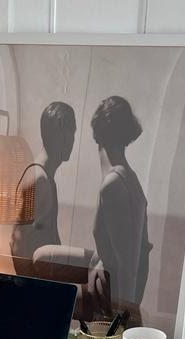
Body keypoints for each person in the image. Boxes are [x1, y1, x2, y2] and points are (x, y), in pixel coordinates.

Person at [90, 95, 151, 311]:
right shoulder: (129, 178)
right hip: (112, 288)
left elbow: (126, 259)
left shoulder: (114, 184)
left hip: (112, 295)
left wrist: (124, 311)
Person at [10, 101, 76, 260]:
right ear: (59, 136)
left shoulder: (45, 178)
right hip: (35, 281)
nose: (72, 140)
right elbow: (16, 242)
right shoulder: (39, 179)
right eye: (70, 132)